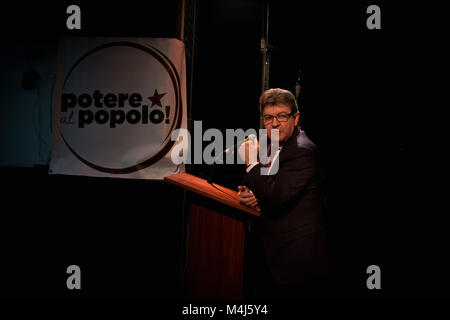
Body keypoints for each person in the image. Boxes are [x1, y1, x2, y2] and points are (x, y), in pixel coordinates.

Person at [238, 88, 329, 300]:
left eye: (282, 116)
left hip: (299, 262)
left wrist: (251, 163)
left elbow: (276, 198)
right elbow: (264, 186)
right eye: (268, 117)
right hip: (274, 255)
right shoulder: (271, 145)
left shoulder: (302, 150)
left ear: (296, 118)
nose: (275, 123)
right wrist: (251, 193)